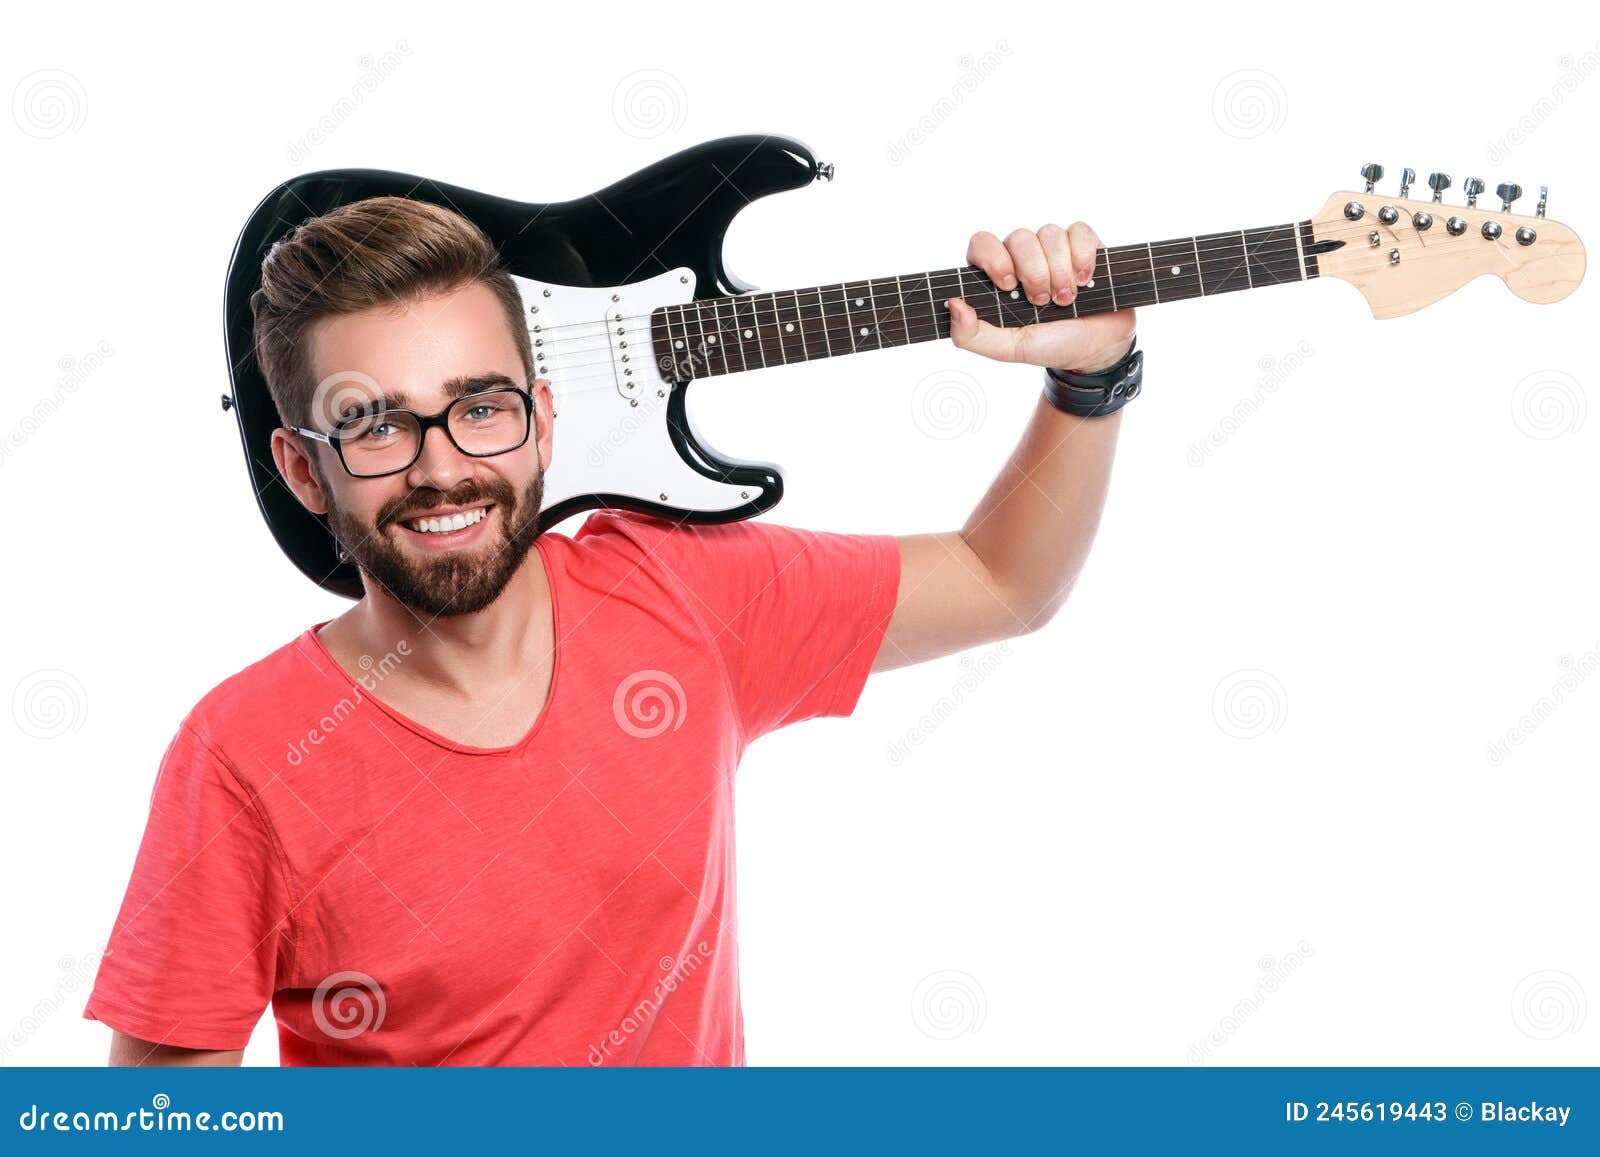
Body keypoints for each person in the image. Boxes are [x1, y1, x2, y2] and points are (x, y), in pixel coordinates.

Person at [83, 197, 1137, 1066]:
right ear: (304, 468)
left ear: (541, 417)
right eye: (377, 424)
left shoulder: (680, 593)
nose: (442, 465)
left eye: (479, 406)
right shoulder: (243, 754)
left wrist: (1089, 379)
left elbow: (1004, 581)